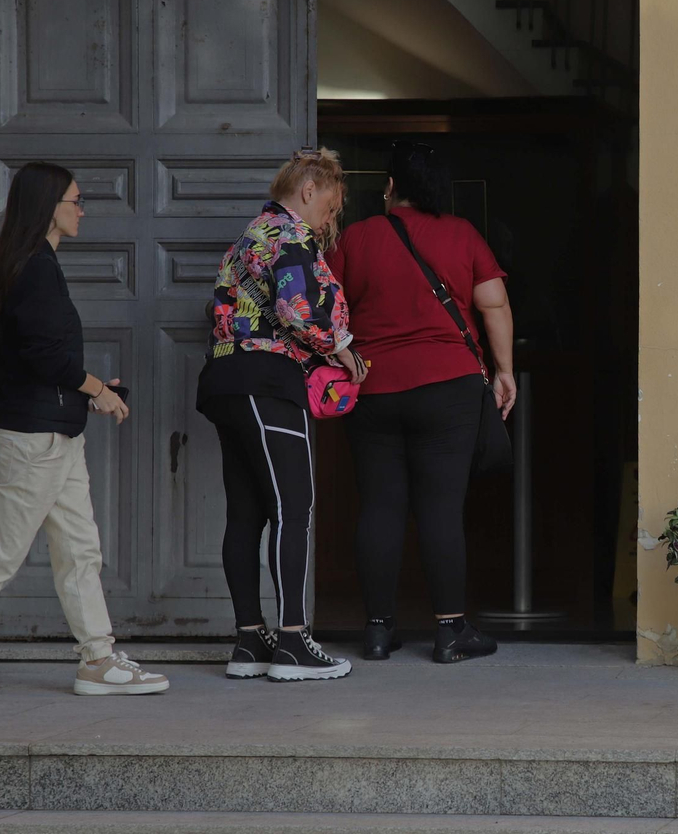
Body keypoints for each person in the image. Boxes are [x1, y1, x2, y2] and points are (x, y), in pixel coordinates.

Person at [0, 163, 167, 697]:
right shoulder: (36, 268)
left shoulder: (33, 264)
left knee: (80, 550)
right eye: (75, 199)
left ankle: (97, 658)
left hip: (55, 436)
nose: (81, 208)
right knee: (2, 552)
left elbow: (37, 360)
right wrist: (97, 389)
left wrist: (86, 388)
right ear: (49, 205)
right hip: (38, 442)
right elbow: (46, 356)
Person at [325, 141, 515, 664]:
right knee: (440, 509)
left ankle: (379, 631)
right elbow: (493, 303)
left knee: (381, 506)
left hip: (374, 389)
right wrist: (504, 371)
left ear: (390, 187)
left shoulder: (356, 238)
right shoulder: (462, 235)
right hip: (448, 388)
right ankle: (451, 631)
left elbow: (327, 312)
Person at [197, 147, 367, 683]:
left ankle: (250, 641)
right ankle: (293, 641)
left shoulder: (251, 235)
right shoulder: (289, 239)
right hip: (265, 382)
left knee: (246, 513)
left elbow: (221, 306)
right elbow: (298, 310)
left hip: (226, 381)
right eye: (331, 206)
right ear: (309, 190)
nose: (331, 218)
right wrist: (344, 350)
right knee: (295, 507)